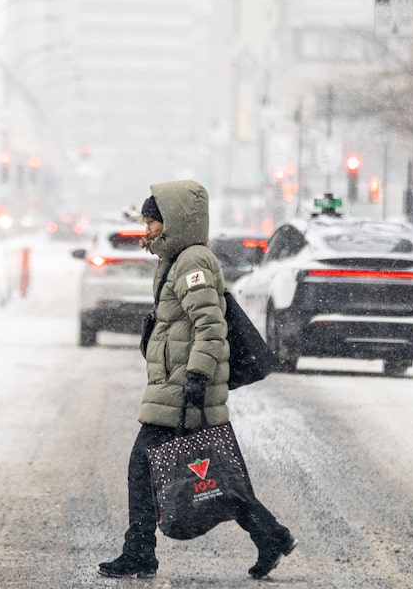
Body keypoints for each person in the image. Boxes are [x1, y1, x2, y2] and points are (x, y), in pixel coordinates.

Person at [98, 179, 296, 580]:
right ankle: (270, 535)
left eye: (152, 222)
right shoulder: (176, 260)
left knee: (145, 466)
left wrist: (197, 375)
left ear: (174, 222)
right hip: (176, 387)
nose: (147, 230)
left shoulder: (192, 262)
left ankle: (139, 553)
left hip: (184, 388)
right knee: (216, 473)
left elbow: (210, 325)